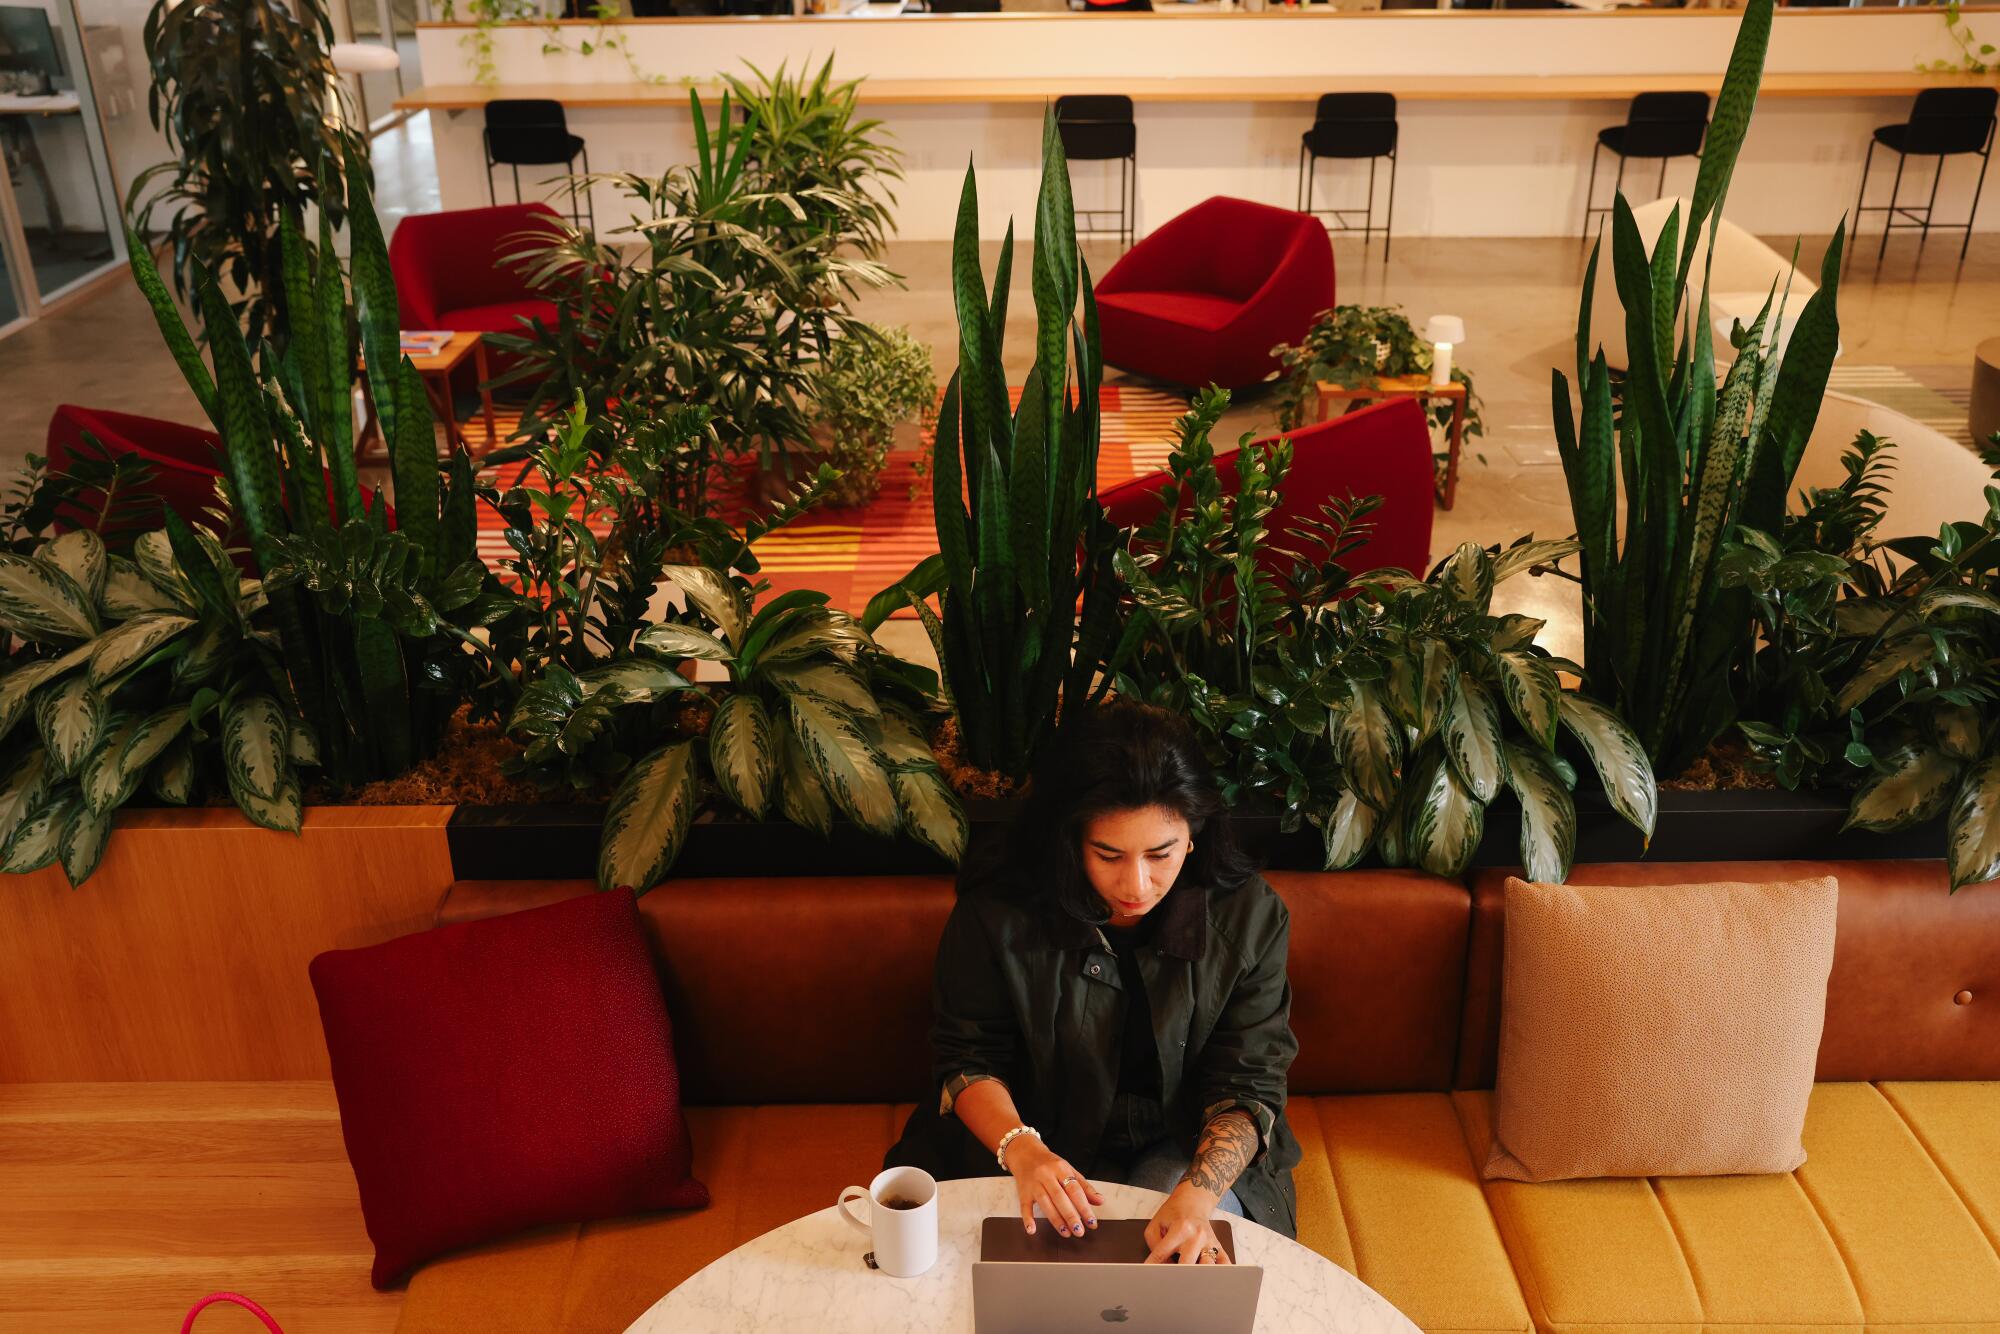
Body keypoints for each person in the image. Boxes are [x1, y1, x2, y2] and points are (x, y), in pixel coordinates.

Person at [886, 700, 1300, 1264]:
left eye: (1161, 853)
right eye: (1108, 854)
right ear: (1071, 838)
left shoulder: (1250, 918)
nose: (1137, 884)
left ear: (1194, 835)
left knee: (1180, 1267)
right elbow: (967, 1059)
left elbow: (1249, 1084)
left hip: (1180, 1139)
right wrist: (1024, 1150)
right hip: (1038, 1128)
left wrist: (1201, 1193)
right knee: (1025, 1274)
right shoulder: (997, 912)